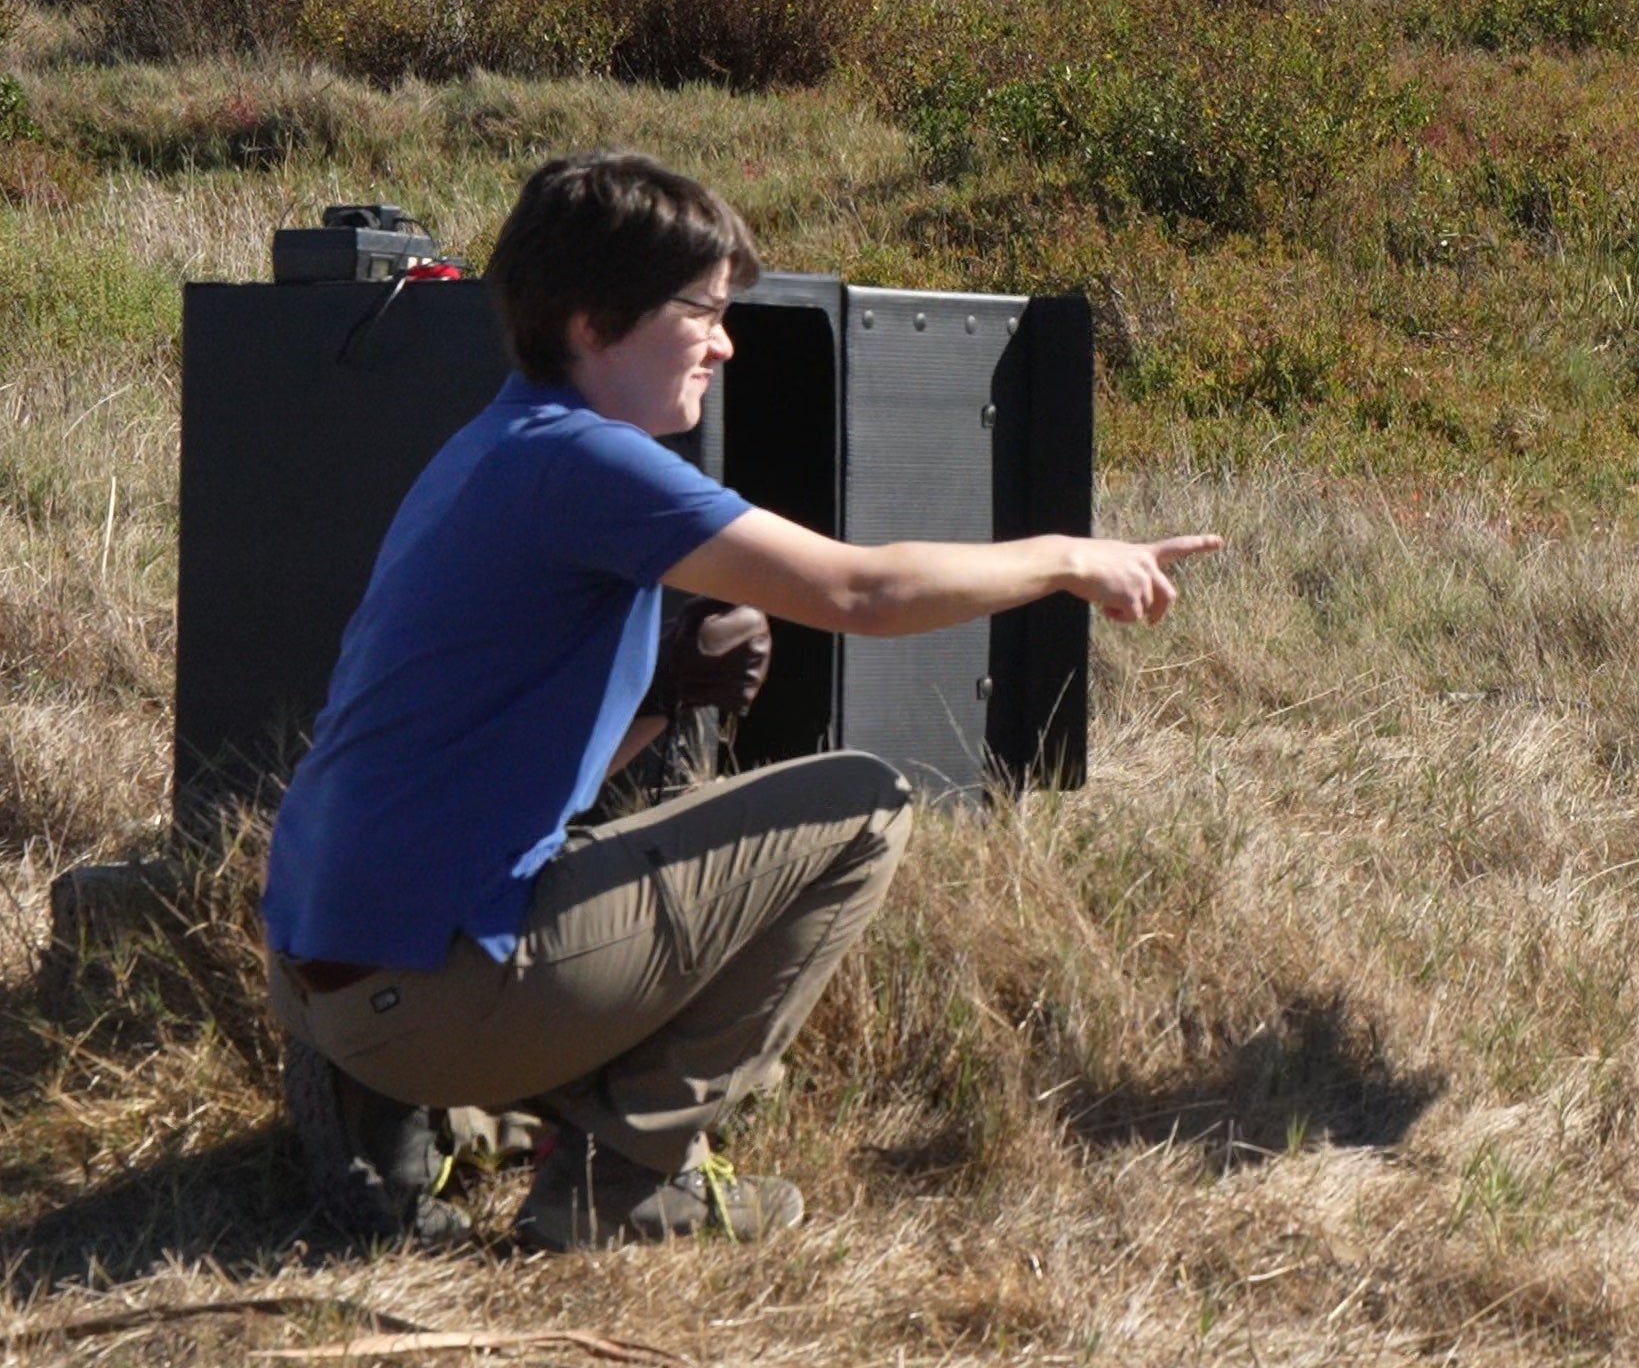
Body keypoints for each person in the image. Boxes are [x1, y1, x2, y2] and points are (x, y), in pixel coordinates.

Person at [261, 152, 1219, 1249]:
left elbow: (488, 780)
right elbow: (860, 592)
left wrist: (664, 711)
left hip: (329, 969)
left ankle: (407, 1108)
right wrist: (1064, 556)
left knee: (606, 854)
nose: (726, 342)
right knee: (865, 807)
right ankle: (625, 1177)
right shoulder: (592, 466)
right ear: (591, 320)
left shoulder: (490, 447)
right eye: (704, 312)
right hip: (422, 999)